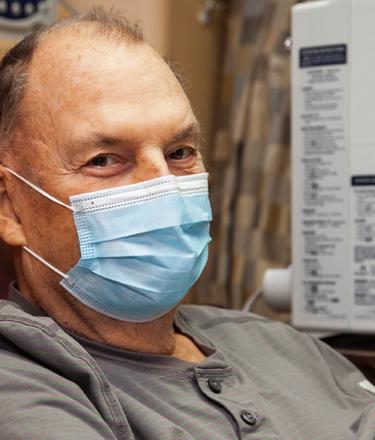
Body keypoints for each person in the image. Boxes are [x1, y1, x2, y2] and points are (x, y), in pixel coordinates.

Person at [0, 8, 373, 440]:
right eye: (103, 160)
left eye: (179, 152)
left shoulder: (277, 342)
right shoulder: (24, 385)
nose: (164, 189)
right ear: (10, 207)